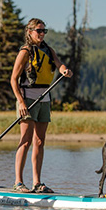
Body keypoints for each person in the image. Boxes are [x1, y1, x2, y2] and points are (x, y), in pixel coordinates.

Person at [10, 18, 73, 193]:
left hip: (44, 98)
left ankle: (37, 183)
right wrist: (21, 102)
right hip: (27, 98)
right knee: (26, 140)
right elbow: (13, 80)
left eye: (44, 31)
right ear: (30, 32)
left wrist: (65, 71)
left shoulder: (48, 49)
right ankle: (18, 182)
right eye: (39, 31)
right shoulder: (25, 52)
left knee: (39, 141)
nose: (42, 34)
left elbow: (59, 64)